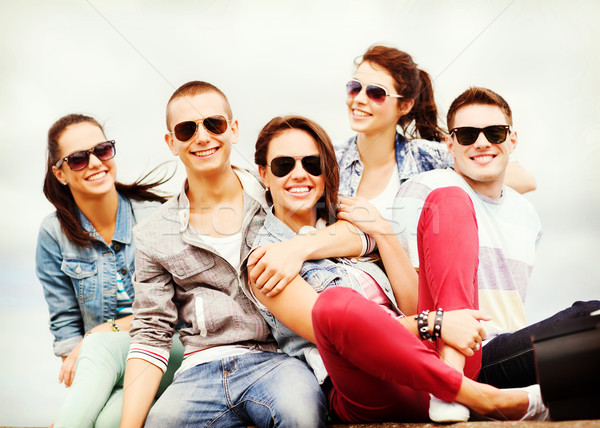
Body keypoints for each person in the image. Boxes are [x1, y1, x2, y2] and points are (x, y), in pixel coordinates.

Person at [244, 114, 548, 423]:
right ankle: (478, 396)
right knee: (333, 306)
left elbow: (409, 302)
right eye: (284, 165)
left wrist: (384, 234)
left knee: (449, 198)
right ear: (264, 174)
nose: (299, 174)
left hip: (432, 357)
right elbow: (347, 342)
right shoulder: (264, 262)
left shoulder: (352, 222)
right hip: (368, 385)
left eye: (312, 164)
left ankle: (449, 380)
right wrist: (436, 323)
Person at [121, 81, 371, 428]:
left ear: (233, 129)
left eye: (214, 124)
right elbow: (150, 333)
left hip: (278, 360)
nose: (203, 136)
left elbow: (356, 231)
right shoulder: (152, 234)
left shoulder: (278, 185)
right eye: (186, 129)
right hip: (197, 372)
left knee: (301, 412)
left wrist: (296, 247)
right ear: (172, 142)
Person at [393, 86, 600, 390]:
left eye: (494, 133)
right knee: (590, 318)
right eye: (466, 135)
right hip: (462, 354)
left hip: (512, 353)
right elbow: (411, 298)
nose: (481, 143)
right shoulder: (428, 189)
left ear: (512, 140)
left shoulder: (526, 214)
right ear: (450, 145)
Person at [36, 113, 183, 428]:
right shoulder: (53, 234)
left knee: (99, 345)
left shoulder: (153, 218)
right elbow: (66, 332)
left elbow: (180, 310)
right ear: (60, 173)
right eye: (77, 159)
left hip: (170, 351)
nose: (94, 163)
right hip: (108, 371)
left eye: (101, 150)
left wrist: (102, 332)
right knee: (105, 423)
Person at [335, 44, 536, 222]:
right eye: (354, 87)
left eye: (376, 93)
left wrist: (438, 194)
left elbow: (524, 180)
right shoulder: (328, 158)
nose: (359, 99)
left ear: (404, 106)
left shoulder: (427, 158)